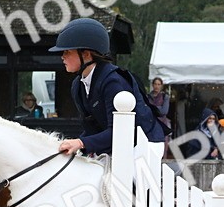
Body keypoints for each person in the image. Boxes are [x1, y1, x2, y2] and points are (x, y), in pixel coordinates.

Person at [51, 18, 165, 159]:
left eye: (67, 52)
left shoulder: (113, 82)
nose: (62, 57)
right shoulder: (78, 85)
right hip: (119, 143)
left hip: (144, 143)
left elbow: (120, 131)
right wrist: (73, 144)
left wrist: (81, 143)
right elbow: (92, 128)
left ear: (86, 54)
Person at [147, 77, 171, 141]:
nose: (157, 86)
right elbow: (146, 110)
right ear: (152, 85)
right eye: (155, 84)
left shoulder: (165, 97)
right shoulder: (148, 97)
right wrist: (159, 107)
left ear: (161, 85)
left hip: (162, 124)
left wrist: (152, 108)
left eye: (158, 84)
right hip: (151, 124)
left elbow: (164, 111)